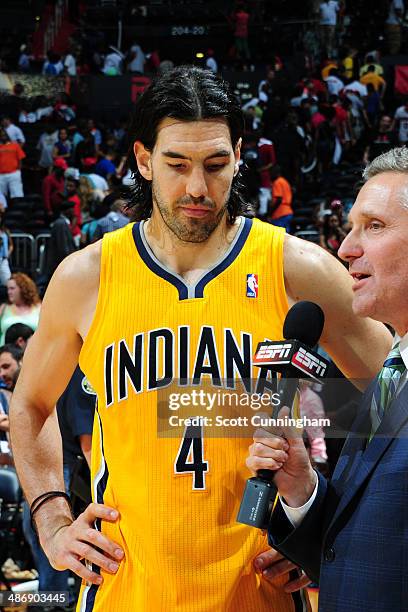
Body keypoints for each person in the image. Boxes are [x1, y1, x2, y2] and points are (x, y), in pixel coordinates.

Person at [9, 67, 391, 612]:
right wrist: (50, 516)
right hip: (127, 589)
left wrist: (318, 519)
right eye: (176, 165)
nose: (196, 187)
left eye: (215, 165)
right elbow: (29, 404)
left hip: (260, 592)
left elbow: (393, 398)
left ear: (238, 155)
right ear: (143, 160)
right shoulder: (85, 278)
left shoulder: (297, 267)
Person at [247, 146, 408, 612]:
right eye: (352, 226)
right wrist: (301, 489)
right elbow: (363, 548)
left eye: (373, 227)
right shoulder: (389, 374)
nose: (345, 247)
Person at [0, 273, 41, 345]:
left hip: (31, 353)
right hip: (6, 352)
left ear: (23, 289)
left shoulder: (39, 308)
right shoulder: (4, 308)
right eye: (8, 289)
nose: (9, 292)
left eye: (12, 288)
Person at [0, 128, 25, 199]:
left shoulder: (15, 145)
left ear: (7, 136)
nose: (3, 136)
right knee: (1, 196)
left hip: (14, 173)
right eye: (1, 135)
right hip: (1, 175)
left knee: (16, 195)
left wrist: (18, 171)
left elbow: (20, 158)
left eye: (4, 135)